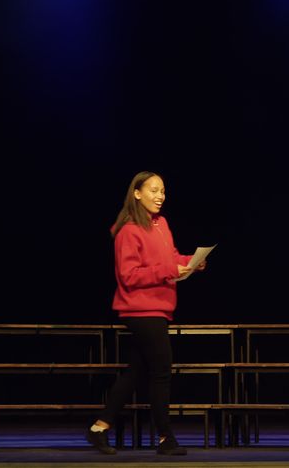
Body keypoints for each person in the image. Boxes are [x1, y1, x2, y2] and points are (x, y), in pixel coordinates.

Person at [85, 171, 205, 455]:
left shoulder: (161, 224)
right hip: (141, 309)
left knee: (135, 372)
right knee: (161, 371)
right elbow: (128, 276)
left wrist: (191, 262)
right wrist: (169, 270)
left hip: (160, 307)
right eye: (153, 190)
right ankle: (165, 438)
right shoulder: (128, 229)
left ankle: (99, 428)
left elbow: (170, 258)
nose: (160, 196)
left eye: (163, 190)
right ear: (137, 193)